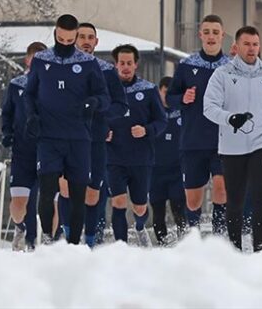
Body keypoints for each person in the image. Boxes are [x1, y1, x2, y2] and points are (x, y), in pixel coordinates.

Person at [203, 26, 262, 252]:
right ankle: (235, 249)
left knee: (261, 194)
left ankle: (260, 249)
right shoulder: (222, 75)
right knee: (235, 200)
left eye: (255, 44)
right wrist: (230, 118)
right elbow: (208, 107)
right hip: (232, 146)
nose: (251, 49)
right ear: (236, 46)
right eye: (247, 44)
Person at [24, 14, 109, 245]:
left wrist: (94, 103)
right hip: (49, 137)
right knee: (48, 188)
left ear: (74, 38)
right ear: (55, 34)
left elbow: (104, 96)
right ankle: (48, 238)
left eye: (69, 40)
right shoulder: (42, 60)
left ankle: (73, 243)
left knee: (78, 193)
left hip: (79, 137)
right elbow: (29, 93)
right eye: (60, 39)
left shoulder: (87, 63)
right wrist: (31, 116)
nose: (64, 43)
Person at [57, 23, 128, 247]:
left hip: (96, 139)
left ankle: (92, 240)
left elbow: (121, 105)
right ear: (74, 39)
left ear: (96, 42)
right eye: (82, 36)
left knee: (92, 193)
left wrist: (101, 115)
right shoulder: (59, 66)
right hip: (66, 138)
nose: (86, 41)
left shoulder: (106, 70)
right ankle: (68, 238)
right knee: (67, 188)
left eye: (91, 37)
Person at [167, 15, 229, 234]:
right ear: (200, 35)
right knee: (193, 200)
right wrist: (182, 98)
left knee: (222, 190)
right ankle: (192, 236)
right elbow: (170, 98)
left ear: (222, 35)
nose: (211, 36)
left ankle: (220, 236)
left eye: (215, 32)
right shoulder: (186, 65)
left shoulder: (231, 67)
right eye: (207, 32)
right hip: (193, 141)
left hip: (224, 141)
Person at [106, 44, 167, 246]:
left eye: (129, 63)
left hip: (141, 158)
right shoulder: (106, 90)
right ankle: (121, 246)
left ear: (135, 65)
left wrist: (146, 130)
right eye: (121, 63)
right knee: (119, 201)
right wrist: (102, 131)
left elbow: (162, 121)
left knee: (139, 206)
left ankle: (140, 226)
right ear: (115, 65)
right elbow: (93, 118)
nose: (125, 67)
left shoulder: (148, 90)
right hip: (113, 156)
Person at [1, 41, 47, 251]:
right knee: (20, 205)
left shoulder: (53, 86)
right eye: (34, 58)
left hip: (47, 150)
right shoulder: (16, 85)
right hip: (22, 151)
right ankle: (19, 227)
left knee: (47, 201)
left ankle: (41, 242)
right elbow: (8, 113)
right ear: (27, 60)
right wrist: (7, 133)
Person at [150, 76, 187, 245]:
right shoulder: (152, 113)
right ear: (159, 92)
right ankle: (162, 244)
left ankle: (185, 242)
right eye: (165, 92)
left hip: (177, 170)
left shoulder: (182, 112)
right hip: (155, 170)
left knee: (179, 208)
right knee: (158, 211)